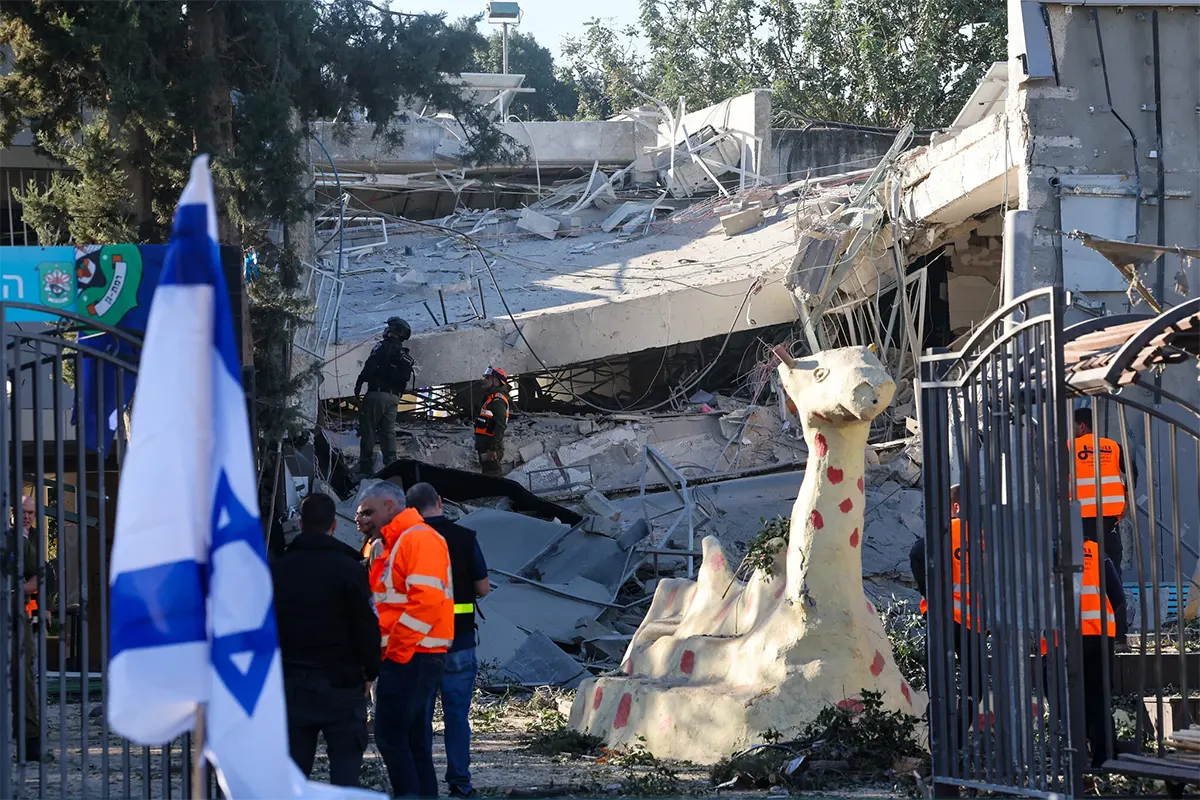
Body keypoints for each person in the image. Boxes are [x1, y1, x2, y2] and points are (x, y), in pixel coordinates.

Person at [272, 493, 380, 787]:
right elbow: (366, 625)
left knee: (293, 775)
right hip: (342, 685)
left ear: (300, 523)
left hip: (292, 683)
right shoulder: (350, 569)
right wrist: (370, 672)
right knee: (345, 772)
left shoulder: (279, 570)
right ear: (334, 525)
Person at [360, 480, 454, 798]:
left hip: (413, 655)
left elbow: (424, 603)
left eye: (369, 512)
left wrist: (396, 651)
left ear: (390, 506)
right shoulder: (398, 541)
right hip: (414, 654)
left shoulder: (417, 539)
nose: (362, 520)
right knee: (413, 741)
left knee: (391, 736)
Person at [407, 483, 491, 798]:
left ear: (410, 510)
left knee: (421, 718)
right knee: (457, 716)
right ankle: (460, 784)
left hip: (420, 646)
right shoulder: (465, 538)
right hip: (460, 640)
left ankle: (422, 786)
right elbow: (482, 588)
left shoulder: (406, 541)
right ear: (440, 503)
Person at [910, 484, 982, 732]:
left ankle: (940, 745)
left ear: (954, 507)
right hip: (974, 623)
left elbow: (918, 552)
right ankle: (961, 734)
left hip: (942, 618)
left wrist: (929, 594)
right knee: (975, 683)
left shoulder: (943, 531)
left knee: (940, 683)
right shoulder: (984, 534)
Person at [1073, 407, 1134, 579]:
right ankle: (1115, 605)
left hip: (1080, 521)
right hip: (1109, 522)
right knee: (1112, 571)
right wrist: (1127, 501)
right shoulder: (1113, 447)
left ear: (1082, 427)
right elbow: (1132, 472)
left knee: (1084, 573)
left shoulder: (1069, 447)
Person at [354, 317, 415, 479]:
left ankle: (366, 468)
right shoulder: (404, 354)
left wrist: (359, 383)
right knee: (388, 432)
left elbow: (370, 365)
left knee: (368, 430)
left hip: (376, 394)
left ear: (392, 331)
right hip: (393, 398)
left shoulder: (381, 346)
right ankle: (391, 465)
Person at [10, 496, 41, 763]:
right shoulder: (15, 539)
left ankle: (29, 742)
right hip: (15, 614)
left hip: (22, 615)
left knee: (25, 675)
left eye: (31, 512)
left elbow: (40, 577)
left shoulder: (32, 540)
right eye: (24, 512)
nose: (28, 517)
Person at [474, 367, 511, 477]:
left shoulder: (497, 400)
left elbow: (501, 425)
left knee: (493, 476)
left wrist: (493, 449)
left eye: (487, 378)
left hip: (490, 447)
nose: (484, 380)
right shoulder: (490, 398)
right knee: (489, 476)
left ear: (495, 381)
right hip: (486, 445)